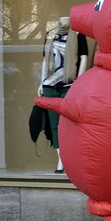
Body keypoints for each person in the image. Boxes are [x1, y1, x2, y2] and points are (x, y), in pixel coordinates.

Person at [38, 16, 89, 173]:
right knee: (54, 125)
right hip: (51, 85)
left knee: (70, 125)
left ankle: (70, 159)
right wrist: (41, 82)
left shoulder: (79, 34)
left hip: (70, 85)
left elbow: (83, 58)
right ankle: (61, 161)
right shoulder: (51, 35)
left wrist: (79, 83)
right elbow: (46, 61)